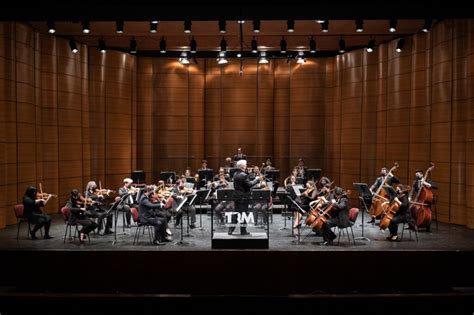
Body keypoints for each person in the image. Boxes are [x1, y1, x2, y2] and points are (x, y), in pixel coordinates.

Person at [228, 159, 261, 235]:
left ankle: (230, 230)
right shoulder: (244, 175)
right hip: (243, 197)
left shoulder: (235, 173)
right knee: (243, 214)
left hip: (236, 196)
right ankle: (243, 231)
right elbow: (249, 185)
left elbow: (244, 182)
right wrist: (257, 179)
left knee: (236, 214)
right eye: (245, 165)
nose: (246, 166)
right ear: (242, 166)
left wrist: (251, 179)